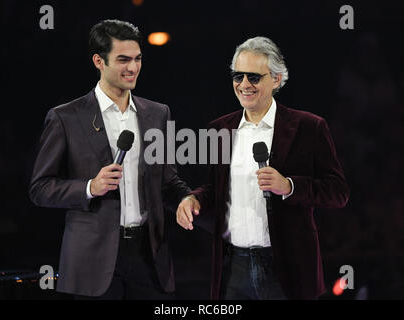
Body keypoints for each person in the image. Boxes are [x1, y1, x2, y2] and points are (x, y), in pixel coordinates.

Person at [176, 36, 349, 300]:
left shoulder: (308, 127)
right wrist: (193, 199)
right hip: (233, 266)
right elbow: (213, 188)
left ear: (276, 80)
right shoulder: (219, 129)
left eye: (254, 77)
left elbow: (338, 192)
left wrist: (289, 186)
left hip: (286, 268)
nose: (244, 85)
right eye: (238, 76)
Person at [29, 19, 191, 299]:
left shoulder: (158, 114)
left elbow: (167, 181)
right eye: (123, 60)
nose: (133, 68)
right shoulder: (65, 117)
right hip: (92, 262)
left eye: (138, 59)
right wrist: (90, 186)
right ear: (98, 61)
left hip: (149, 259)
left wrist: (185, 198)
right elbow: (40, 189)